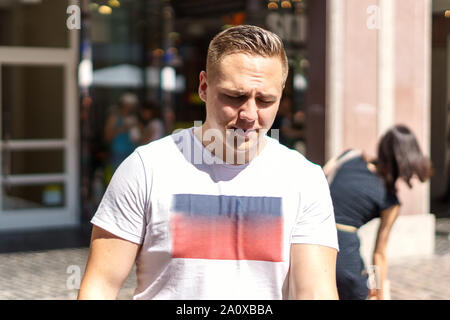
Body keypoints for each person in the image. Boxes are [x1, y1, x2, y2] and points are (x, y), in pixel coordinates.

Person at [78, 25, 339, 300]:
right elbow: (100, 287)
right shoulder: (146, 168)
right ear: (204, 87)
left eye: (265, 100)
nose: (250, 114)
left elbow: (316, 292)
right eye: (235, 97)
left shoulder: (303, 178)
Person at [323, 124, 432, 300]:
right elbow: (379, 254)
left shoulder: (349, 156)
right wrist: (380, 292)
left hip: (309, 239)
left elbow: (319, 179)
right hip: (344, 255)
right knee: (369, 290)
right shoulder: (390, 202)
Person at [103, 93, 140, 171]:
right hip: (118, 152)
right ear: (124, 105)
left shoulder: (134, 118)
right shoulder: (114, 118)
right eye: (131, 105)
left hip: (132, 152)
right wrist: (124, 128)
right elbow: (107, 136)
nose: (132, 108)